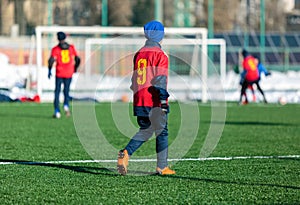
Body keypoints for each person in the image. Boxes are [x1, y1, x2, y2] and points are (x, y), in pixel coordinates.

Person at [117, 20, 175, 176]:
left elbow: (134, 79)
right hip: (153, 100)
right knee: (162, 132)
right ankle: (162, 167)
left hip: (139, 99)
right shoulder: (160, 55)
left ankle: (126, 153)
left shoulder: (139, 53)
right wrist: (163, 100)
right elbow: (160, 79)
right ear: (160, 36)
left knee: (146, 130)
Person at [48, 32, 80, 118]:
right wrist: (75, 68)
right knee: (66, 91)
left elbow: (51, 60)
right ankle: (66, 106)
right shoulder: (71, 47)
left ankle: (57, 111)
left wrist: (49, 70)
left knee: (57, 91)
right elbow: (77, 59)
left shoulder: (55, 49)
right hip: (69, 72)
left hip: (59, 72)